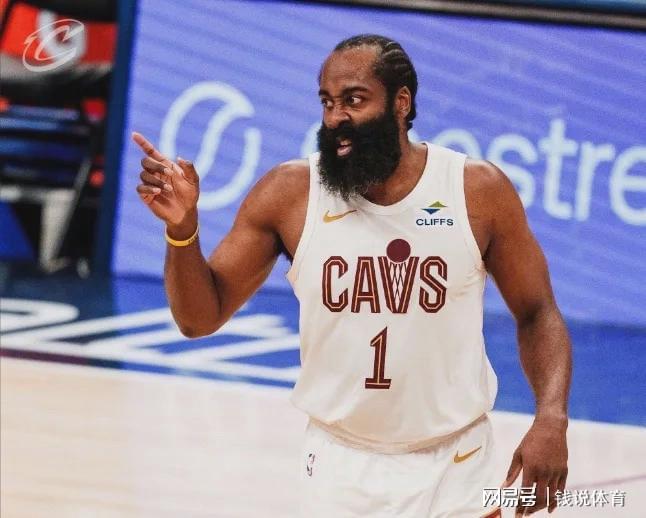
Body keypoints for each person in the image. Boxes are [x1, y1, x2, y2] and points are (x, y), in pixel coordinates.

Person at [133, 34, 571, 517]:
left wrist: (551, 418)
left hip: (458, 467)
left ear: (401, 103)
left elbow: (537, 311)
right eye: (327, 102)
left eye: (354, 100)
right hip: (339, 468)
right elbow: (199, 319)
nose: (336, 117)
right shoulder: (290, 193)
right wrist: (182, 229)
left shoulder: (476, 191)